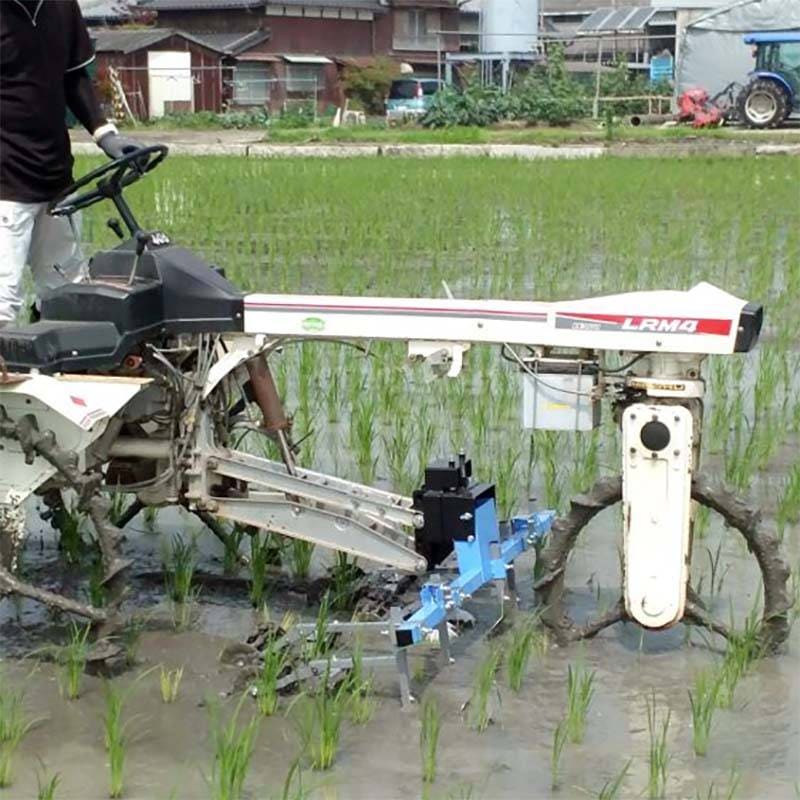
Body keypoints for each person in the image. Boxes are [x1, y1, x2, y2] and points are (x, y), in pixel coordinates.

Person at [0, 0, 142, 329]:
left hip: (55, 175)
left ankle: (54, 368)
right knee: (3, 301)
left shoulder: (61, 6)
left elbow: (74, 75)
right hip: (5, 185)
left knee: (66, 293)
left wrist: (104, 133)